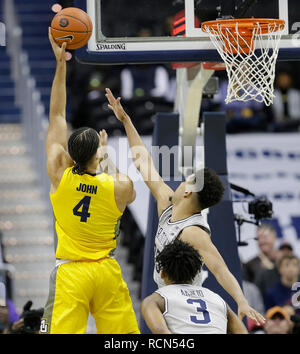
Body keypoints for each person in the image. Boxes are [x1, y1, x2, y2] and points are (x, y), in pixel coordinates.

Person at [105, 88, 265, 326]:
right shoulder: (166, 202)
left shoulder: (193, 232)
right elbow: (143, 162)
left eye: (186, 180)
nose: (181, 182)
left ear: (189, 191)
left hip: (183, 304)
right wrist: (126, 121)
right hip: (166, 292)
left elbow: (220, 269)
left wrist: (241, 300)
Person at [41, 30, 140, 334]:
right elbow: (127, 185)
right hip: (106, 271)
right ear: (98, 153)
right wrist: (107, 157)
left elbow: (57, 114)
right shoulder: (118, 187)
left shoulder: (59, 171)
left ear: (70, 155)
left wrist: (61, 65)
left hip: (71, 272)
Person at [141, 239, 248, 334]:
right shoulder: (218, 299)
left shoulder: (155, 300)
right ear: (195, 274)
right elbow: (242, 331)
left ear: (163, 272)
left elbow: (161, 331)